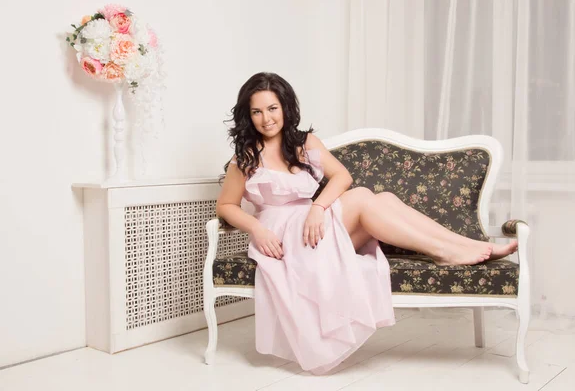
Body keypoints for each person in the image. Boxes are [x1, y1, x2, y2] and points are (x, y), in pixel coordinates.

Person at [216, 72, 518, 374]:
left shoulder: (304, 143)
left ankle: (464, 246)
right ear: (248, 115)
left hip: (311, 223)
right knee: (362, 197)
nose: (266, 118)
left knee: (383, 199)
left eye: (272, 108)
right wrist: (257, 229)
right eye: (257, 111)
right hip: (281, 234)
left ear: (285, 107)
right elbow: (226, 205)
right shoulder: (246, 157)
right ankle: (448, 250)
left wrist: (319, 207)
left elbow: (342, 176)